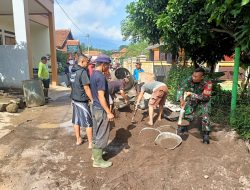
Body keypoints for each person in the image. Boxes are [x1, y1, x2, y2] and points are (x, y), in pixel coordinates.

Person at [90, 54, 114, 168]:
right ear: (103, 65)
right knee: (102, 133)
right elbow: (101, 96)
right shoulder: (100, 77)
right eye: (108, 66)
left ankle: (95, 155)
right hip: (100, 108)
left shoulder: (93, 74)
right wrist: (109, 112)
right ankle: (98, 161)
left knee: (96, 132)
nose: (108, 68)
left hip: (95, 107)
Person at [177, 67, 212, 144]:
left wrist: (191, 94)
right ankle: (184, 127)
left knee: (205, 114)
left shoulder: (208, 83)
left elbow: (205, 97)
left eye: (196, 77)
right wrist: (181, 99)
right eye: (193, 75)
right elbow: (180, 89)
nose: (193, 77)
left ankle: (206, 134)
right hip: (193, 98)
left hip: (204, 99)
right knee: (187, 109)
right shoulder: (190, 79)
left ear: (202, 77)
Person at [70, 55, 93, 148]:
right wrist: (92, 99)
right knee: (88, 122)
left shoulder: (73, 72)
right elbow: (86, 88)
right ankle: (91, 143)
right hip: (82, 100)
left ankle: (78, 139)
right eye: (87, 62)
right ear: (82, 61)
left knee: (76, 120)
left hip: (74, 99)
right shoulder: (82, 72)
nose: (88, 64)